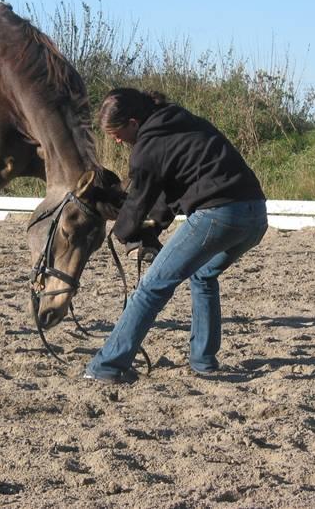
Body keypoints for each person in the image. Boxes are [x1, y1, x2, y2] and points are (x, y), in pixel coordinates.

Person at [84, 88, 267, 383]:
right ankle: (203, 360)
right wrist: (153, 228)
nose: (116, 140)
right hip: (256, 215)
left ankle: (107, 366)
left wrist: (124, 233)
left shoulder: (147, 149)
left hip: (219, 215)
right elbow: (169, 191)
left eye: (117, 133)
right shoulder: (180, 121)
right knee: (204, 275)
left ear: (133, 122)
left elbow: (137, 203)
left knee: (152, 287)